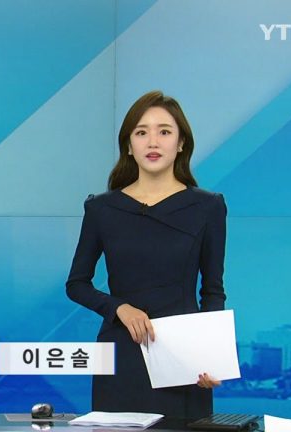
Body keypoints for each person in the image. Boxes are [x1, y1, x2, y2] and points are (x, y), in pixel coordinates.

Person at [66, 90, 226, 418]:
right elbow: (77, 284)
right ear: (129, 145)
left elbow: (212, 291)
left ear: (181, 143)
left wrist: (211, 358)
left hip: (184, 359)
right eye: (141, 132)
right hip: (121, 355)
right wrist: (118, 308)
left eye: (164, 132)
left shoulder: (208, 207)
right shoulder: (101, 209)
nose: (153, 142)